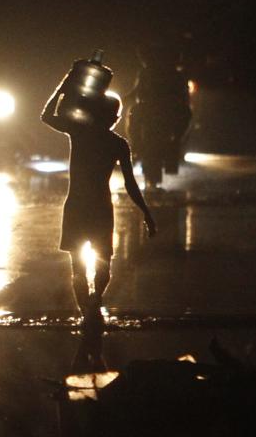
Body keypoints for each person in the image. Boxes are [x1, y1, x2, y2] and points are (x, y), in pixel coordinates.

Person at [42, 67, 156, 322]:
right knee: (104, 263)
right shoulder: (118, 144)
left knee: (78, 267)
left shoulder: (79, 133)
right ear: (115, 117)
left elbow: (47, 116)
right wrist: (147, 213)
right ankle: (95, 301)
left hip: (76, 206)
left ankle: (86, 311)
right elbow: (130, 184)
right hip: (101, 209)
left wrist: (63, 87)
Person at [125, 45, 191, 190]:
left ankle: (176, 142)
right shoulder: (146, 73)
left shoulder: (175, 75)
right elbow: (136, 91)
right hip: (149, 108)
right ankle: (135, 145)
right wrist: (124, 99)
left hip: (166, 110)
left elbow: (183, 95)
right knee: (133, 117)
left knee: (186, 116)